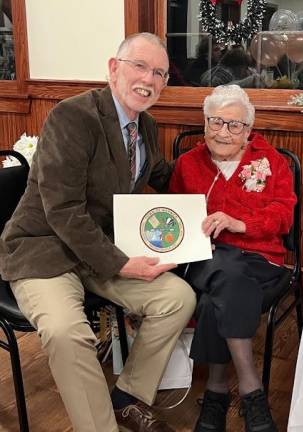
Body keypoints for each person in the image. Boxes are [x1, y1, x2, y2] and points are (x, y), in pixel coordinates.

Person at [0, 32, 196, 432]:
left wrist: (218, 170)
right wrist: (123, 264)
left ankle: (127, 397)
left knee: (178, 297)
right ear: (113, 68)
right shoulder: (74, 116)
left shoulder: (147, 126)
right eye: (139, 66)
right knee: (67, 333)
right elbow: (64, 211)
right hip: (45, 249)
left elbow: (161, 173)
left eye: (159, 72)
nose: (149, 78)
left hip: (98, 250)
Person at [169, 85, 296, 432]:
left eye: (234, 125)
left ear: (248, 131)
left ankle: (217, 392)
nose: (224, 132)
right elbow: (174, 218)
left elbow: (283, 216)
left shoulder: (271, 163)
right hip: (204, 258)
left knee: (217, 296)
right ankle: (252, 390)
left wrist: (239, 223)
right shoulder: (187, 164)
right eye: (216, 122)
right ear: (206, 123)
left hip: (261, 259)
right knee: (225, 271)